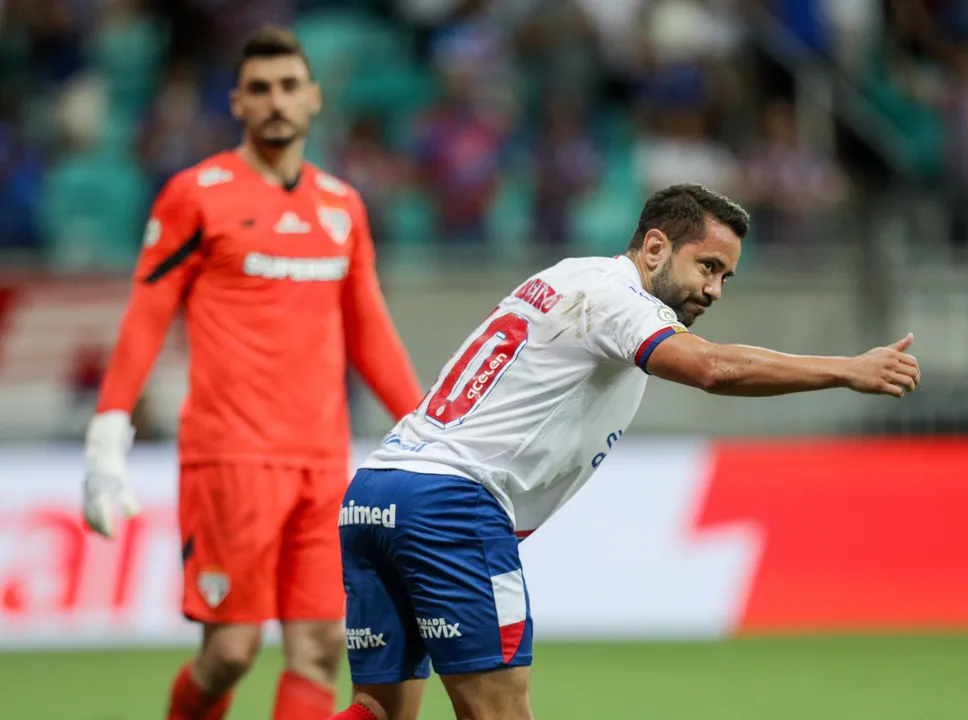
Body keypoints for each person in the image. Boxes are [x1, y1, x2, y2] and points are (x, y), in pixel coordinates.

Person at [332, 183, 922, 720]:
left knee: (378, 712)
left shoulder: (572, 277)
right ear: (657, 247)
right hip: (450, 504)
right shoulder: (617, 299)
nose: (714, 289)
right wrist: (846, 369)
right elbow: (712, 369)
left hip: (376, 494)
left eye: (726, 277)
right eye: (708, 267)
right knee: (499, 714)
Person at [81, 26, 424, 720]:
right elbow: (146, 315)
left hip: (323, 463)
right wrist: (106, 436)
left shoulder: (342, 207)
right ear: (237, 102)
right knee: (230, 651)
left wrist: (431, 429)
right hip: (230, 458)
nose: (276, 101)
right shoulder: (194, 196)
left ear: (315, 98)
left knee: (321, 649)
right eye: (260, 89)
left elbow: (370, 331)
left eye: (290, 86)